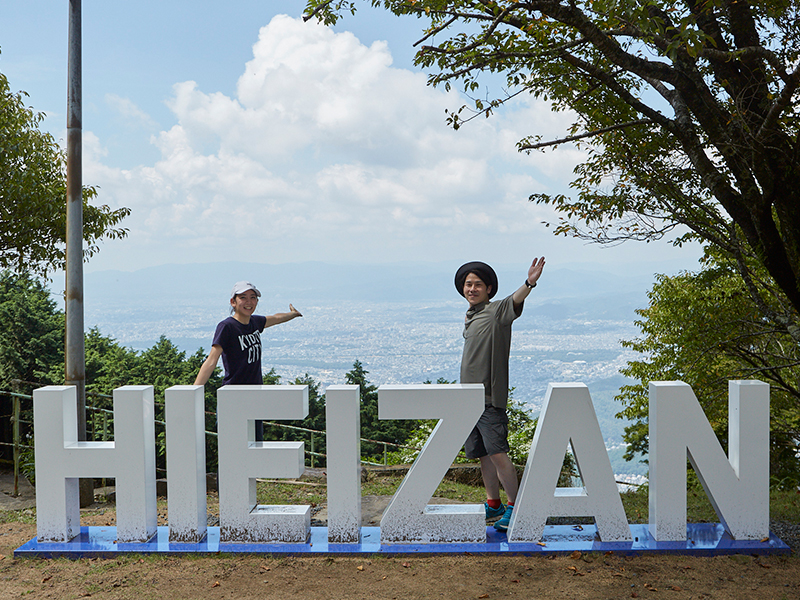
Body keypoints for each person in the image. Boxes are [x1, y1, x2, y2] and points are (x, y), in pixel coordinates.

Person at [455, 258, 545, 532]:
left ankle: (515, 506)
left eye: (478, 284)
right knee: (482, 454)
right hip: (469, 398)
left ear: (489, 288)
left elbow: (514, 302)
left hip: (488, 398)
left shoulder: (496, 312)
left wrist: (529, 282)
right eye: (468, 284)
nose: (472, 288)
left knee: (498, 454)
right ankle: (493, 503)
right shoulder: (472, 314)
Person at [194, 281, 303, 437]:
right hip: (233, 396)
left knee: (254, 446)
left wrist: (293, 314)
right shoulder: (227, 326)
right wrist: (193, 390)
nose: (249, 302)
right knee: (232, 445)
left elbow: (275, 318)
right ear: (233, 302)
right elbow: (212, 360)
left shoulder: (254, 322)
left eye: (253, 297)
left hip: (255, 395)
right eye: (243, 297)